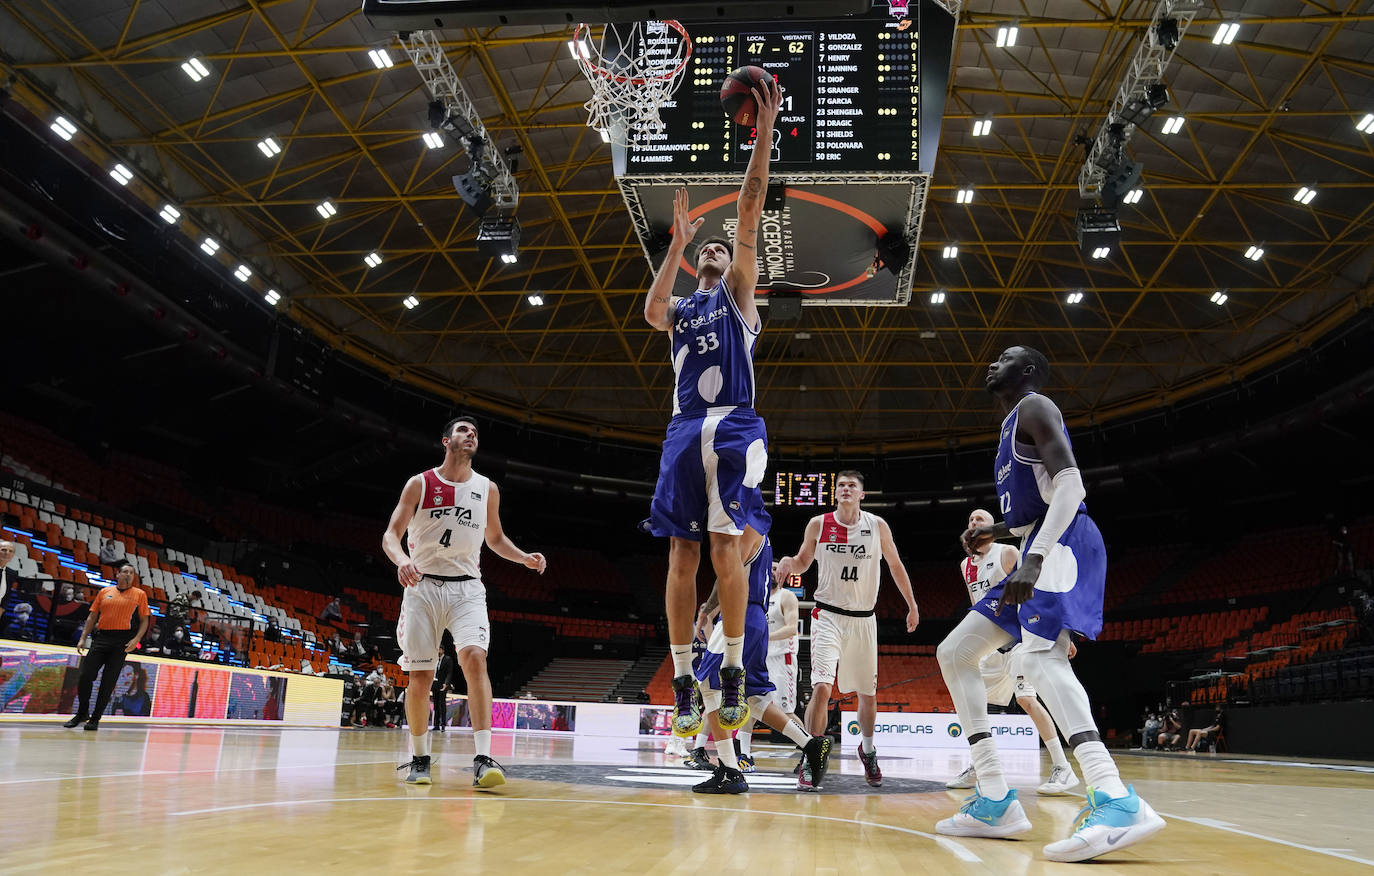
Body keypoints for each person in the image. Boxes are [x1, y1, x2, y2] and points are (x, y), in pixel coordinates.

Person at [933, 345, 1164, 862]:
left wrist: (1033, 558)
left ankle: (1114, 796)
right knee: (956, 653)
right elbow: (1032, 506)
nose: (991, 364)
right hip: (1040, 537)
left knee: (1040, 659)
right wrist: (996, 529)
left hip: (1061, 542)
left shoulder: (1037, 406)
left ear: (1030, 371)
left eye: (1005, 358)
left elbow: (1071, 486)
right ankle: (994, 797)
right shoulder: (1010, 428)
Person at [641, 76, 784, 740]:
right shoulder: (680, 310)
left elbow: (750, 207)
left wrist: (766, 133)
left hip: (733, 424)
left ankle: (728, 668)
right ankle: (679, 679)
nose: (719, 252)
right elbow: (649, 310)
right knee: (680, 556)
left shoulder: (738, 298)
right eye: (710, 249)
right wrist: (673, 246)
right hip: (682, 429)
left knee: (727, 549)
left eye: (724, 250)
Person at [383, 415, 547, 786]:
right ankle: (420, 758)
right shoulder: (420, 483)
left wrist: (523, 557)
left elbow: (495, 538)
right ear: (446, 441)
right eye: (462, 430)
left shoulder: (487, 488)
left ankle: (484, 759)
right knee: (421, 676)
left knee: (475, 658)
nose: (471, 434)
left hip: (467, 588)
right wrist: (402, 560)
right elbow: (391, 535)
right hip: (422, 586)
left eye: (474, 432)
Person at [774, 470, 920, 789]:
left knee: (866, 695)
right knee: (822, 687)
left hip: (864, 620)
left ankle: (867, 750)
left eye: (852, 485)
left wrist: (912, 604)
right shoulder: (819, 524)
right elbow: (802, 561)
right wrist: (787, 561)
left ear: (862, 494)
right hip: (827, 615)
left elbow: (896, 565)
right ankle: (811, 754)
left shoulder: (877, 526)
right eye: (841, 485)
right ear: (835, 493)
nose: (845, 489)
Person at [945, 508, 1079, 796]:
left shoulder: (1006, 552)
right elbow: (976, 604)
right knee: (978, 704)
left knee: (1027, 698)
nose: (973, 523)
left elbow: (1038, 588)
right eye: (970, 520)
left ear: (992, 527)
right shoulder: (965, 565)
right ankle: (979, 764)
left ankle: (1061, 766)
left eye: (980, 519)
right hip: (990, 643)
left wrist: (1058, 633)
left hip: (1017, 637)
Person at [690, 528, 832, 794]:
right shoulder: (760, 533)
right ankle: (809, 744)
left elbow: (726, 573)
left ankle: (729, 769)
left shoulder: (745, 526)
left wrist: (708, 609)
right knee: (753, 696)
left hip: (739, 613)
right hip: (755, 618)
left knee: (708, 684)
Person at [63, 563, 150, 731]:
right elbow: (92, 616)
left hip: (122, 641)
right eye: (125, 571)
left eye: (131, 573)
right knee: (85, 675)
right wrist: (83, 637)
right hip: (102, 638)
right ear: (117, 574)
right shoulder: (104, 592)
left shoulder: (140, 594)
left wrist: (136, 639)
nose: (128, 574)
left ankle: (95, 718)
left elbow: (145, 620)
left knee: (108, 682)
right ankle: (82, 713)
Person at [433, 634, 457, 731]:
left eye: (439, 649)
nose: (437, 651)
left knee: (442, 704)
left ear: (442, 650)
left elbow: (449, 673)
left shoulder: (447, 659)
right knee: (435, 705)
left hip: (443, 684)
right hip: (435, 684)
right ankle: (436, 725)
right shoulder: (434, 659)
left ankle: (443, 724)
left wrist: (446, 683)